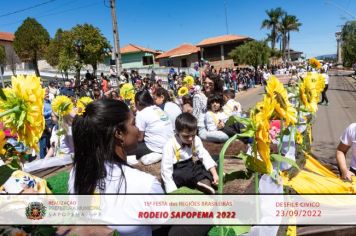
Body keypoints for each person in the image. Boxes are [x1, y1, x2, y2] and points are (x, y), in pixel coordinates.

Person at [68, 99, 164, 236]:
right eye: (133, 124)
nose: (138, 130)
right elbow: (162, 219)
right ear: (119, 133)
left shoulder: (77, 171)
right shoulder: (145, 184)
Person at [161, 113, 218, 194]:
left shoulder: (196, 139)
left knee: (208, 164)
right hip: (178, 169)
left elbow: (204, 155)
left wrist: (214, 174)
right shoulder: (169, 145)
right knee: (181, 175)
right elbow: (166, 169)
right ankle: (200, 181)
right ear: (177, 132)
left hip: (191, 164)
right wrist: (173, 192)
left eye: (193, 135)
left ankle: (204, 183)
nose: (190, 139)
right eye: (186, 136)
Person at [129, 90, 174, 159]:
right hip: (170, 145)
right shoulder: (157, 109)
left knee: (126, 149)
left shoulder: (141, 114)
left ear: (137, 103)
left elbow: (140, 138)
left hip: (157, 147)